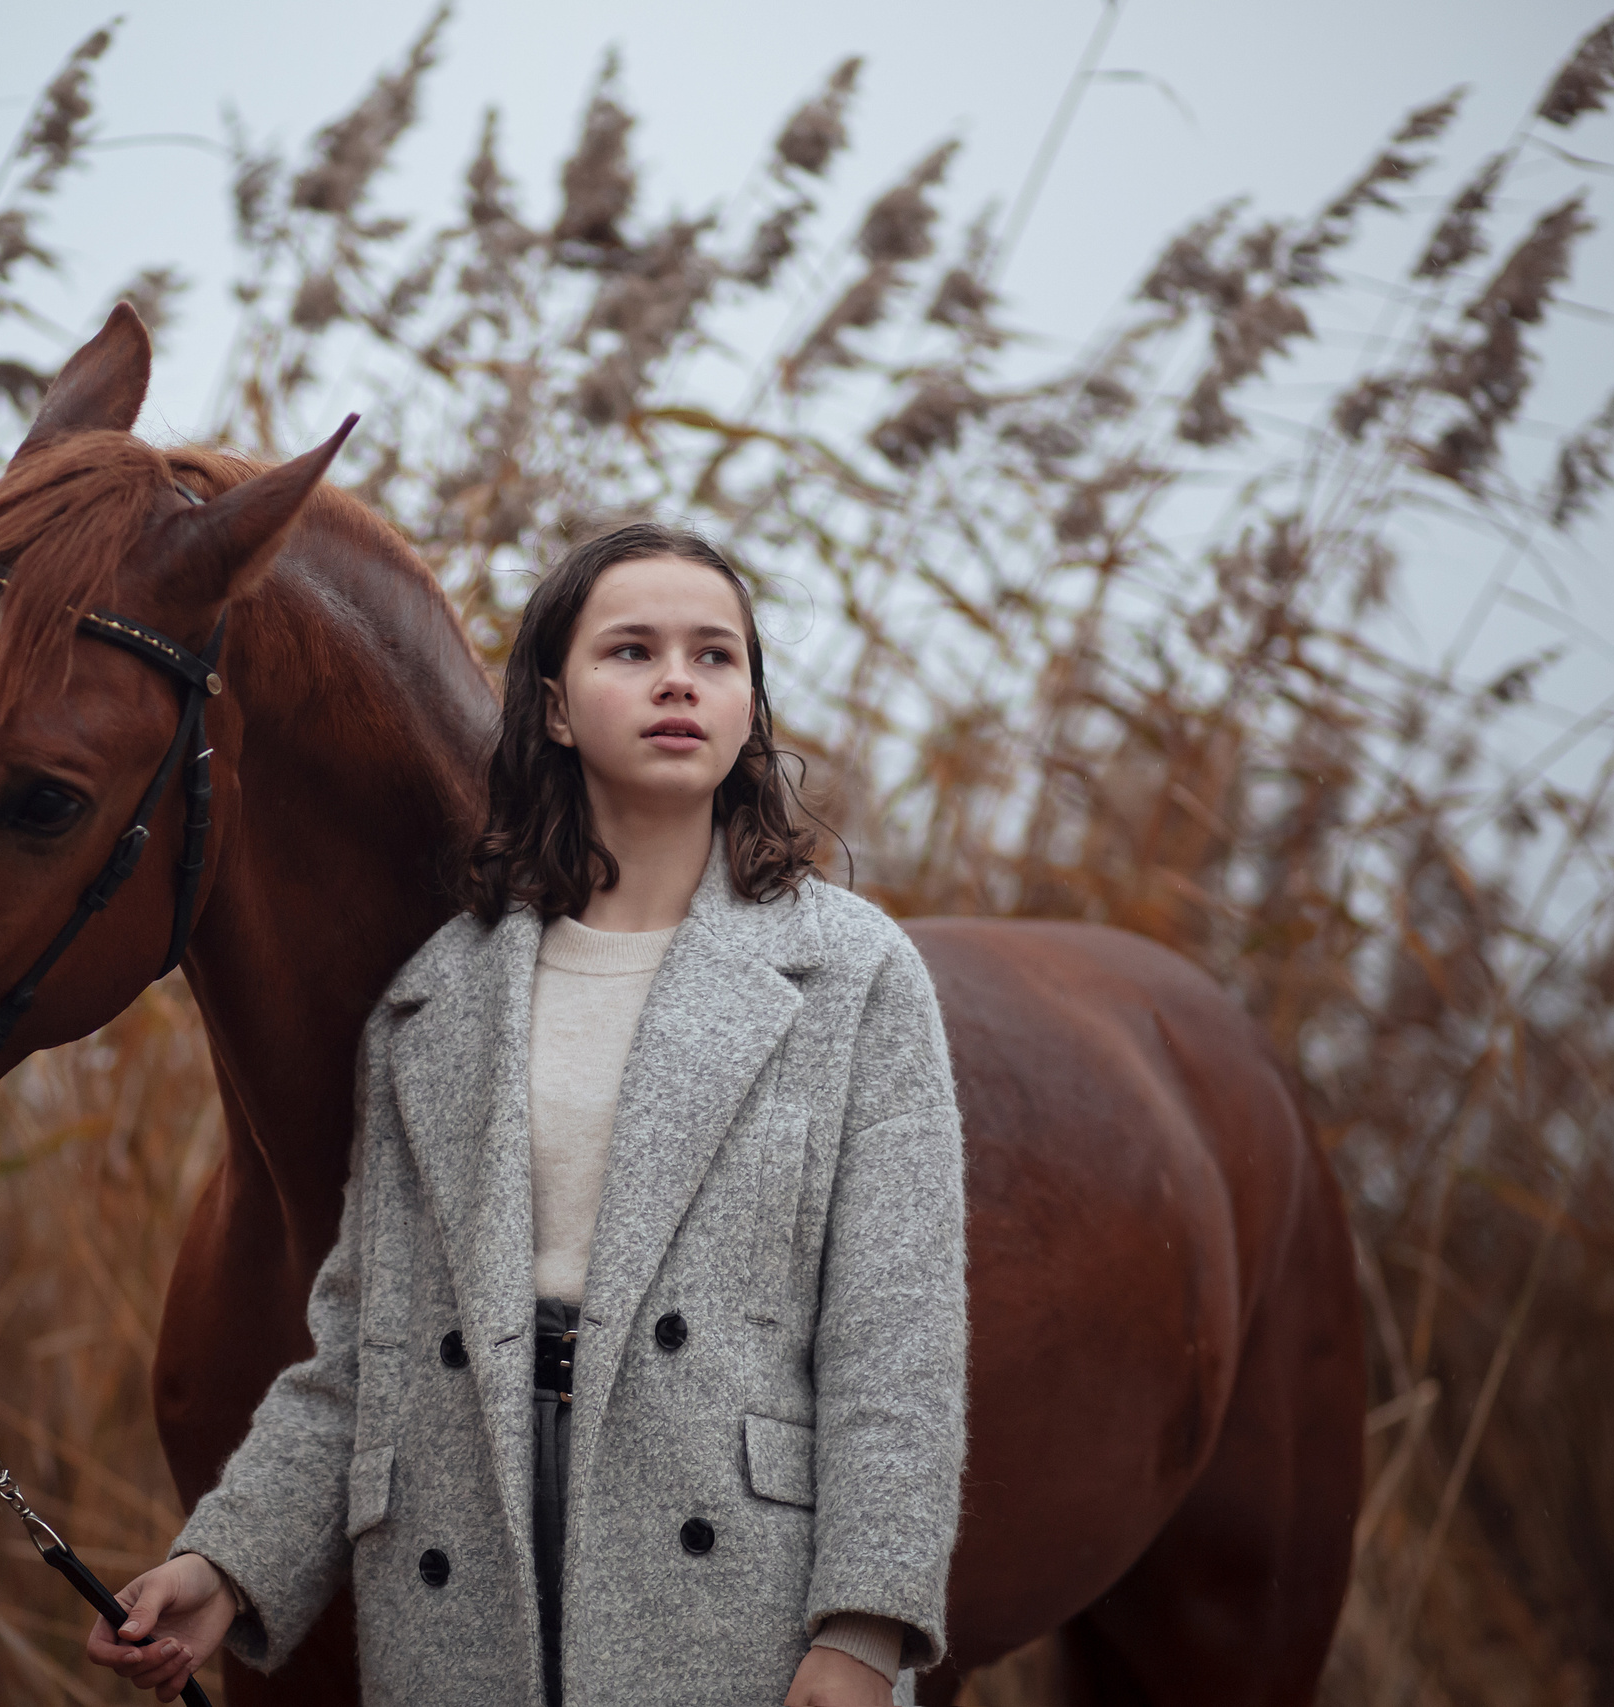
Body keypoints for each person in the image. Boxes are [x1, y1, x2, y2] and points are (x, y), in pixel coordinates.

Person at [86, 522, 968, 1706]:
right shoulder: (437, 1000)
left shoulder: (852, 975)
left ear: (749, 706)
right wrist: (226, 1562)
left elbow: (896, 1342)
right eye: (630, 650)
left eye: (715, 656)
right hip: (461, 1595)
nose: (676, 680)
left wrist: (864, 1629)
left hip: (739, 1605)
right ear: (554, 709)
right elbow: (365, 1348)